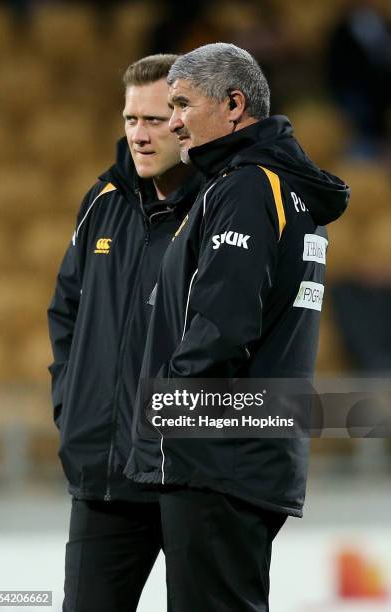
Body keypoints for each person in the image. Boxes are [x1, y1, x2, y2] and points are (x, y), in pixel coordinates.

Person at [125, 43, 350, 611]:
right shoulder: (277, 188)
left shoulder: (247, 186)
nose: (171, 120)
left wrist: (168, 418)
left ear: (232, 104)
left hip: (216, 454)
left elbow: (221, 328)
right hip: (248, 448)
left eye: (180, 104)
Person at [47, 54, 200, 612]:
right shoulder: (102, 203)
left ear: (188, 120)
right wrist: (74, 403)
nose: (138, 134)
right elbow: (65, 311)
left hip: (190, 476)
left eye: (154, 120)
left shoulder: (223, 208)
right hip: (104, 473)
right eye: (130, 119)